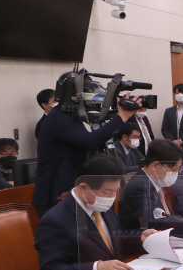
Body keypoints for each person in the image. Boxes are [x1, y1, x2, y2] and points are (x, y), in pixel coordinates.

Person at [33, 155, 156, 270]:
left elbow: (110, 244)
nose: (113, 198)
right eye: (108, 192)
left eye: (116, 191)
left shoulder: (100, 206)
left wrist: (140, 239)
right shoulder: (55, 220)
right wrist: (97, 267)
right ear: (84, 187)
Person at [32, 86, 140, 217]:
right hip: (55, 195)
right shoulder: (59, 117)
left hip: (71, 192)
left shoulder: (70, 116)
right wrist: (122, 116)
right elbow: (90, 141)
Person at [118, 139, 183, 236]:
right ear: (155, 166)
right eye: (173, 170)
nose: (175, 174)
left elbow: (169, 219)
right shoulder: (139, 187)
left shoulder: (154, 183)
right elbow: (156, 223)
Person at [161, 83, 183, 148]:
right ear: (174, 95)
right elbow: (164, 129)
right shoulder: (168, 111)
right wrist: (172, 141)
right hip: (172, 147)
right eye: (177, 93)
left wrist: (181, 141)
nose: (180, 95)